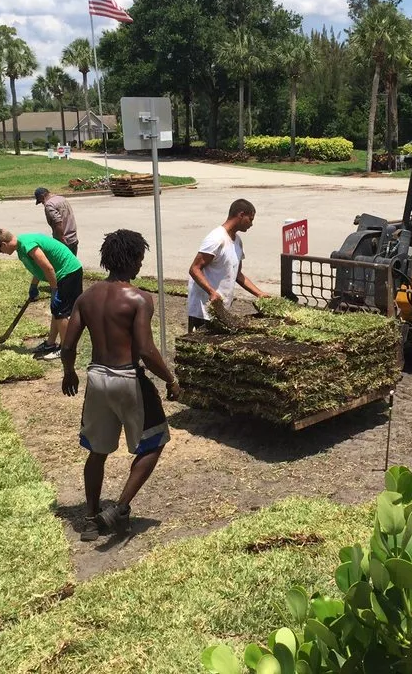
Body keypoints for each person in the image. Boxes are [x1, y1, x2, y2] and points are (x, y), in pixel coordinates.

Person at [60, 230, 181, 541]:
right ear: (133, 259)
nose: (140, 264)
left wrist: (69, 373)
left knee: (97, 451)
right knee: (155, 441)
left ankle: (90, 519)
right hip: (127, 378)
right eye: (139, 259)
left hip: (96, 378)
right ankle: (120, 508)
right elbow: (146, 350)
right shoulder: (139, 298)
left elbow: (68, 345)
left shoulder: (86, 298)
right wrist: (170, 379)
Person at [0, 228, 83, 359]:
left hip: (69, 272)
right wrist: (34, 285)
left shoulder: (27, 245)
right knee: (56, 310)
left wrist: (54, 290)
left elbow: (48, 268)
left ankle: (65, 348)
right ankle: (50, 344)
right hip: (61, 274)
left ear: (4, 244)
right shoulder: (21, 248)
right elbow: (39, 268)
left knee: (61, 311)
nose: (0, 253)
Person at [186, 198, 269, 331]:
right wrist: (211, 292)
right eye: (250, 219)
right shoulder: (216, 238)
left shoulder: (237, 242)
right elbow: (194, 269)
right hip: (203, 310)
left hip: (220, 310)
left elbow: (238, 275)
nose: (251, 224)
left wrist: (259, 293)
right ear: (241, 215)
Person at [34, 187, 79, 255]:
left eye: (41, 201)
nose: (43, 203)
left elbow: (57, 222)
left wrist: (61, 239)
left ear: (42, 196)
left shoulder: (49, 205)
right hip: (73, 238)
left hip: (64, 241)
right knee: (73, 260)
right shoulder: (61, 198)